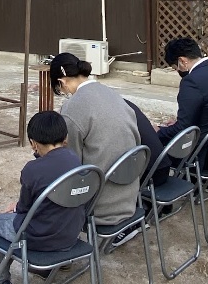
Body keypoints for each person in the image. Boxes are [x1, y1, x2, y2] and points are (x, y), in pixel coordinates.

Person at [0, 110, 82, 284]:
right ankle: (47, 269)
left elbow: (23, 209)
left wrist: (14, 207)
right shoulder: (76, 161)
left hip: (39, 239)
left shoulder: (33, 169)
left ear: (33, 143)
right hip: (70, 236)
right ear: (65, 138)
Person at [49, 52, 141, 226]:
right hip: (129, 195)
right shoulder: (111, 93)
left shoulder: (72, 107)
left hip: (99, 205)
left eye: (60, 90)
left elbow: (70, 161)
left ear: (62, 82)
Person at [157, 38, 208, 179]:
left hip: (203, 153)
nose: (177, 72)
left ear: (182, 61)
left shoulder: (191, 81)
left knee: (153, 141)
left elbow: (182, 128)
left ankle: (161, 187)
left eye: (176, 68)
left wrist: (159, 131)